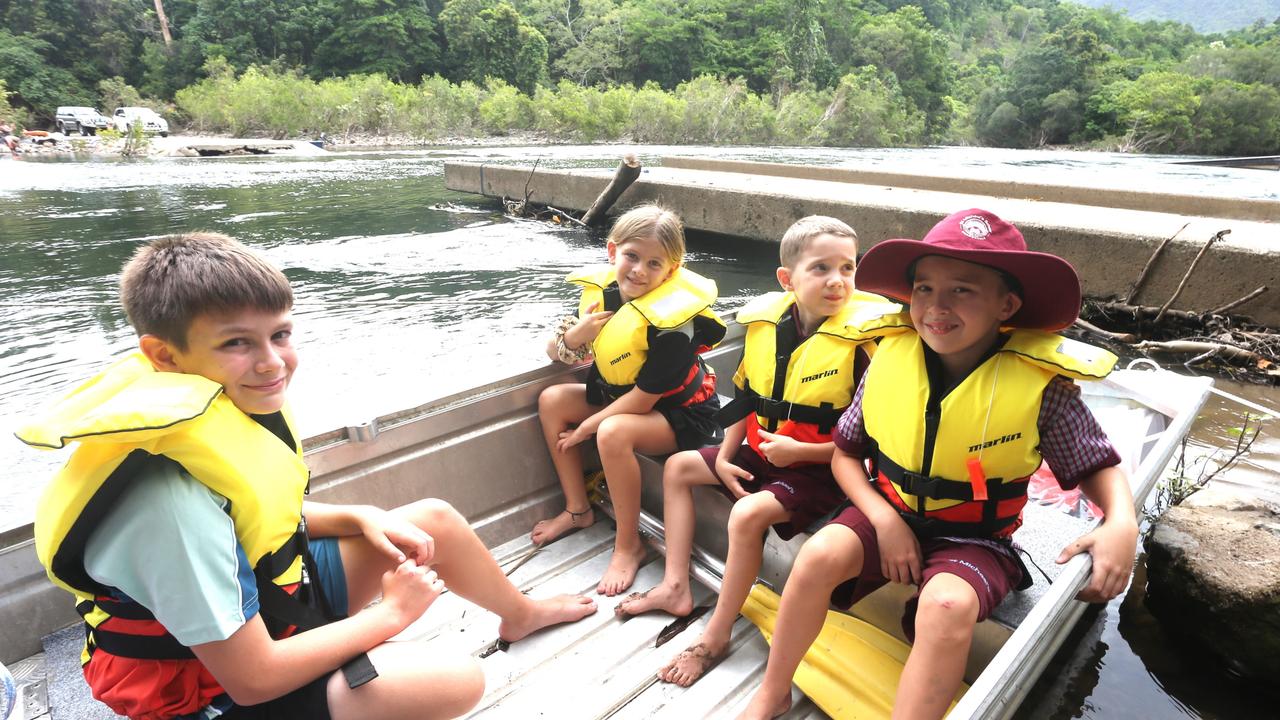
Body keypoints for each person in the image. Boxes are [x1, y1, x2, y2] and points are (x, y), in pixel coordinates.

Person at [19, 232, 597, 720]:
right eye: (236, 344)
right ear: (164, 356)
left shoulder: (227, 405)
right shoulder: (168, 505)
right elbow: (252, 678)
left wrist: (358, 515)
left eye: (280, 334)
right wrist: (394, 615)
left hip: (266, 603)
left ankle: (519, 616)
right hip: (205, 683)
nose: (272, 362)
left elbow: (258, 517)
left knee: (430, 522)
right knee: (456, 680)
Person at [738, 209, 1137, 720]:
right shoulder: (889, 358)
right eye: (924, 289)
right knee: (818, 556)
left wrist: (1120, 523)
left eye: (962, 290)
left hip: (975, 536)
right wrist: (884, 521)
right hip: (888, 507)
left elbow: (1097, 466)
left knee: (946, 606)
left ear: (1007, 304)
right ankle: (773, 690)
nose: (936, 307)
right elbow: (845, 455)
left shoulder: (1043, 387)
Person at [616, 216, 897, 687]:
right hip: (765, 451)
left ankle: (715, 636)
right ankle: (676, 585)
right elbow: (747, 400)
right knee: (682, 468)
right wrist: (726, 454)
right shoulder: (768, 327)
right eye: (821, 268)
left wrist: (800, 453)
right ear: (788, 280)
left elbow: (875, 442)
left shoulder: (866, 346)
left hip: (822, 470)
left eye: (848, 268)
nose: (837, 281)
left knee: (746, 515)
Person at [533, 204, 726, 596]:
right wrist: (574, 336)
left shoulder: (673, 323)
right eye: (632, 257)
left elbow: (643, 400)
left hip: (679, 415)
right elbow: (554, 352)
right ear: (612, 252)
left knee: (611, 432)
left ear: (671, 271)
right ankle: (578, 510)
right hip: (624, 400)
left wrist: (588, 426)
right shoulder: (603, 296)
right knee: (553, 399)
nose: (639, 270)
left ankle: (629, 545)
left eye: (654, 264)